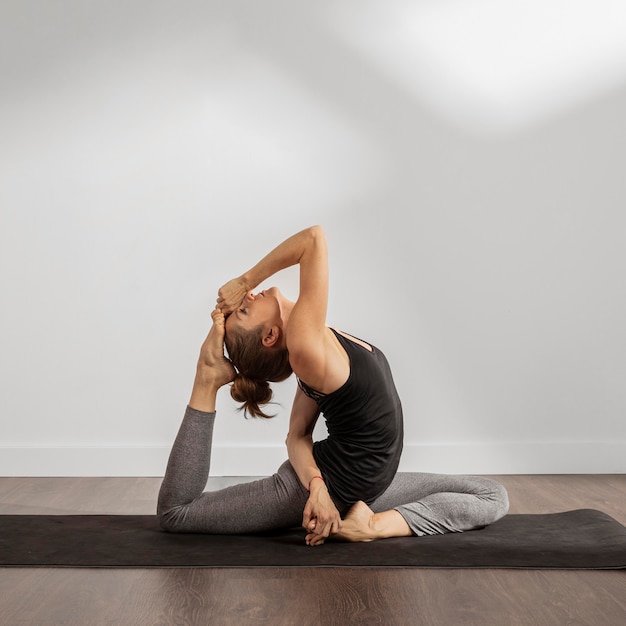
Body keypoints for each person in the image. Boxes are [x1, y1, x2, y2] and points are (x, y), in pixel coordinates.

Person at [158, 226, 509, 546]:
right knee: (178, 513)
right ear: (270, 336)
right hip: (311, 489)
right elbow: (312, 241)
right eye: (245, 312)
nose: (247, 297)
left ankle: (368, 522)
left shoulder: (308, 349)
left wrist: (319, 487)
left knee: (491, 495)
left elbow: (296, 436)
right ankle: (208, 378)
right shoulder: (304, 346)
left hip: (361, 488)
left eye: (243, 304)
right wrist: (244, 279)